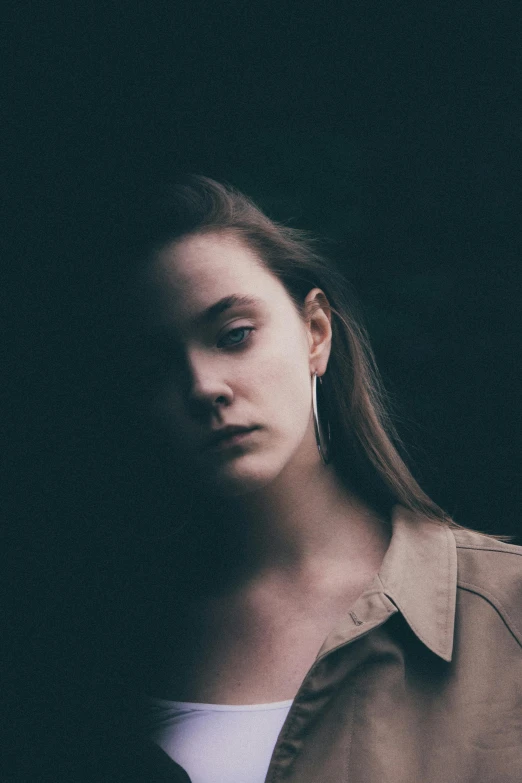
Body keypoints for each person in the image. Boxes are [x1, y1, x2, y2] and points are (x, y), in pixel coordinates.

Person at [107, 175, 522, 783]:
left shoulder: (504, 612)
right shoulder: (107, 647)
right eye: (159, 370)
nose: (202, 386)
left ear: (316, 333)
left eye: (234, 336)